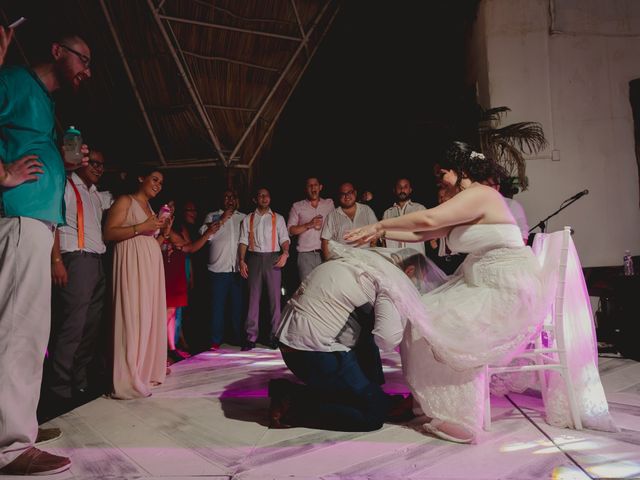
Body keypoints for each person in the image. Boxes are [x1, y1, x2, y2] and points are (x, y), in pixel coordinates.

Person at [344, 142, 550, 443]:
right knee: (418, 319)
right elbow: (423, 233)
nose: (440, 181)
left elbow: (428, 220)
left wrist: (379, 223)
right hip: (481, 282)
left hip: (505, 286)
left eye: (443, 174)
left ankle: (455, 413)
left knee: (438, 324)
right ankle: (426, 404)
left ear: (462, 170)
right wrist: (380, 233)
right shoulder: (468, 199)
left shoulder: (481, 194)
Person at [0, 33, 92, 475]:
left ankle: (19, 427)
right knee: (19, 332)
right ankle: (11, 447)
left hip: (35, 224)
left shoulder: (47, 105)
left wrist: (63, 164)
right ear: (57, 51)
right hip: (19, 219)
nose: (87, 71)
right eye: (83, 60)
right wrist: (3, 172)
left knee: (27, 332)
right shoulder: (15, 79)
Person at [270, 243, 444, 431]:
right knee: (371, 416)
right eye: (418, 282)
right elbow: (386, 340)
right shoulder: (389, 282)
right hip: (316, 354)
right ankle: (292, 404)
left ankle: (370, 395)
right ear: (409, 271)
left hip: (290, 346)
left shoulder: (355, 262)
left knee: (366, 331)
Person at [45, 150, 112, 418]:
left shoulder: (96, 194)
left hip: (96, 261)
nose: (98, 167)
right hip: (75, 258)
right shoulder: (67, 184)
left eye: (102, 164)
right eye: (93, 162)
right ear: (82, 162)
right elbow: (53, 222)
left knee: (91, 326)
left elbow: (120, 200)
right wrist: (56, 260)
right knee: (72, 325)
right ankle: (58, 387)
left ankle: (79, 380)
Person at [103, 168, 171, 399]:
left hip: (150, 264)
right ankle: (127, 377)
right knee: (131, 316)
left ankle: (144, 371)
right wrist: (141, 227)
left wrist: (163, 233)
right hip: (130, 263)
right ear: (140, 177)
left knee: (147, 317)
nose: (158, 185)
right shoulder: (126, 200)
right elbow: (108, 233)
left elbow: (149, 238)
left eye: (161, 182)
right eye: (154, 179)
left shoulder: (150, 209)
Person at [163, 200, 216, 363]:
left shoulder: (177, 226)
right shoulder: (158, 224)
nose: (170, 209)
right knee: (166, 313)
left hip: (177, 269)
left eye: (173, 206)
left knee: (173, 312)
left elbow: (188, 247)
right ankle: (165, 349)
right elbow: (181, 243)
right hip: (164, 270)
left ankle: (173, 347)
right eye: (167, 205)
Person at [238, 187, 290, 351]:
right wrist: (241, 260)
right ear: (255, 199)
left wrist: (285, 253)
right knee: (253, 299)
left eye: (266, 195)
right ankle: (250, 337)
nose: (264, 198)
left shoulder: (278, 218)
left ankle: (275, 336)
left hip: (273, 258)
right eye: (260, 195)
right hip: (254, 258)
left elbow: (285, 239)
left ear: (270, 198)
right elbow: (243, 241)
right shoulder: (248, 219)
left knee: (275, 299)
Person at [200, 190, 246, 349]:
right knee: (217, 308)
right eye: (226, 197)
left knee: (237, 307)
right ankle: (215, 340)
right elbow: (203, 235)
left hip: (236, 270)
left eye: (232, 197)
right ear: (221, 200)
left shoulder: (243, 217)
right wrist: (222, 219)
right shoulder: (212, 216)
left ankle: (238, 338)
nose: (230, 200)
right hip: (217, 269)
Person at [287, 176, 334, 283]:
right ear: (306, 189)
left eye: (315, 185)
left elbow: (337, 223)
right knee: (307, 291)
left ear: (320, 187)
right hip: (305, 256)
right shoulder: (297, 206)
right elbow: (290, 230)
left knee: (326, 288)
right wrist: (308, 224)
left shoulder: (329, 204)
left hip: (326, 253)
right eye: (310, 185)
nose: (313, 187)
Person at [320, 182, 378, 260]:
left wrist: (372, 252)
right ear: (339, 196)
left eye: (349, 192)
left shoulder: (366, 210)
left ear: (355, 193)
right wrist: (328, 262)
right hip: (341, 261)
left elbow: (376, 232)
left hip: (365, 258)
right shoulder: (332, 216)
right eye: (343, 194)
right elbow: (325, 242)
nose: (346, 196)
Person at [382, 177, 427, 255]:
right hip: (394, 260)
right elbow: (383, 239)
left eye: (405, 187)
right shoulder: (387, 213)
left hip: (415, 258)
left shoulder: (419, 209)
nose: (402, 190)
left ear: (410, 190)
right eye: (399, 187)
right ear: (394, 190)